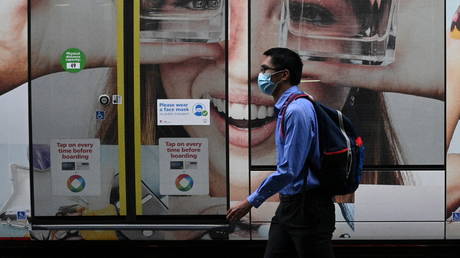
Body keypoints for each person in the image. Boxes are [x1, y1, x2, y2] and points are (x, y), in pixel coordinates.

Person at [0, 0, 444, 239]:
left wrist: (452, 66)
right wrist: (7, 60)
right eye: (197, 2)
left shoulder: (433, 200)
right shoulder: (79, 217)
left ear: (373, 48)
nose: (246, 67)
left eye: (312, 13)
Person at [227, 47, 335, 257]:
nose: (259, 76)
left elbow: (289, 170)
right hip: (291, 205)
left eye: (265, 70)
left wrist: (250, 201)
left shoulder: (297, 111)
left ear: (283, 75)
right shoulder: (289, 107)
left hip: (308, 208)